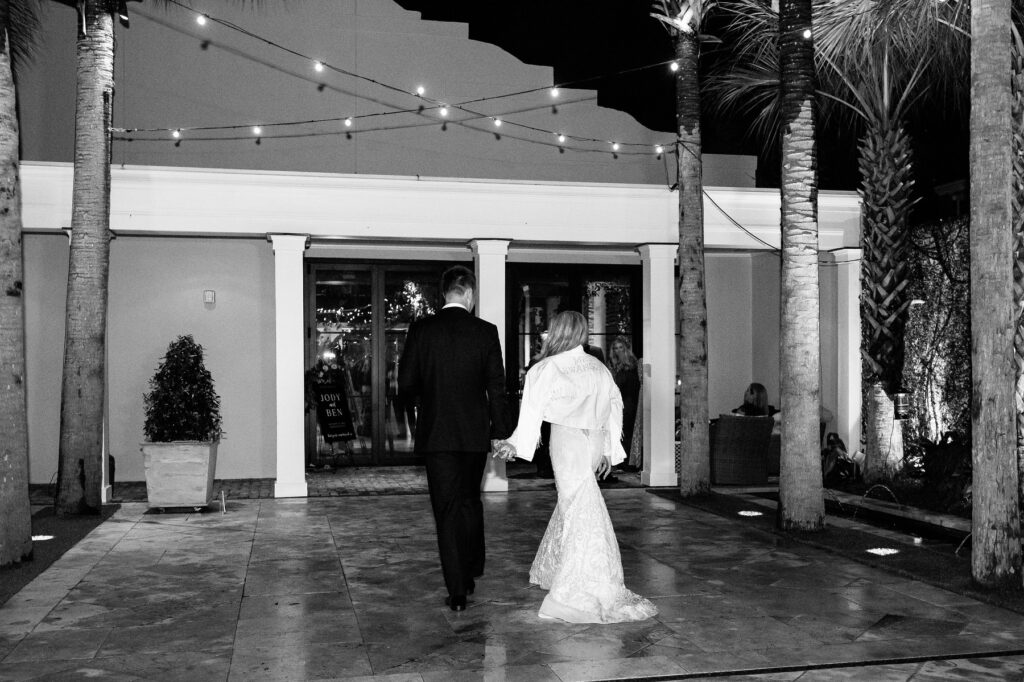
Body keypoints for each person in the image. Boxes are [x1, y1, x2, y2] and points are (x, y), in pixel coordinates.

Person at [496, 311, 657, 624]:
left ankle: (580, 583)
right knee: (579, 501)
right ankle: (563, 568)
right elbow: (615, 407)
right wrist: (610, 451)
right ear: (582, 333)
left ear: (557, 332)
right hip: (595, 440)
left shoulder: (545, 368)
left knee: (576, 504)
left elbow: (532, 412)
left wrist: (516, 444)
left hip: (568, 441)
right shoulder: (599, 367)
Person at [398, 265, 512, 612]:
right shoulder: (485, 332)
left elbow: (405, 386)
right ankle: (473, 566)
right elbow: (497, 388)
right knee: (469, 500)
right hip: (474, 434)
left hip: (437, 435)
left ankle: (457, 590)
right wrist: (501, 433)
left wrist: (424, 403)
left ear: (444, 293)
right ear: (470, 294)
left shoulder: (422, 331)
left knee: (446, 509)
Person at [608, 336, 640, 473]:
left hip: (628, 403)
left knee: (626, 432)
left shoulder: (632, 365)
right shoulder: (613, 365)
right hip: (616, 403)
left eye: (621, 347)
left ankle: (627, 463)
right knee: (617, 432)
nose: (618, 351)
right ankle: (620, 462)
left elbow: (629, 387)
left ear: (626, 349)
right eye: (615, 348)